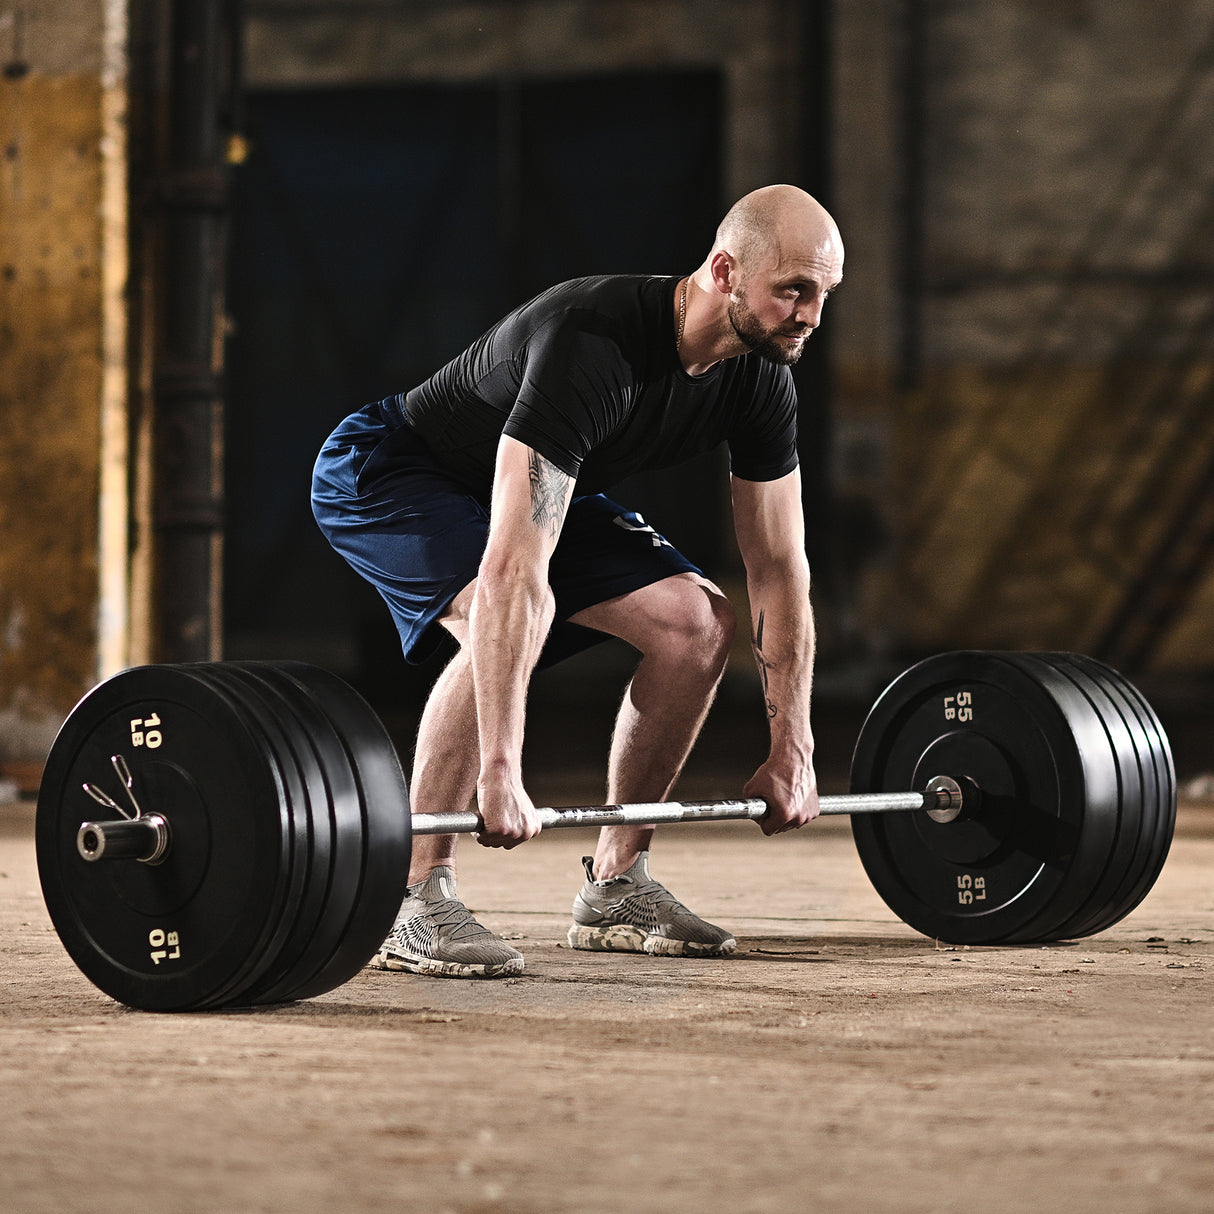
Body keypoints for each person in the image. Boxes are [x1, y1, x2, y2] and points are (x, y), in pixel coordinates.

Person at [312, 184, 844, 978]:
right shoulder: (590, 341)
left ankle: (616, 886)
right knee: (495, 623)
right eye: (793, 290)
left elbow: (779, 570)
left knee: (697, 624)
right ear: (726, 272)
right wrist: (500, 769)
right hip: (394, 472)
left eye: (824, 294)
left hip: (536, 487)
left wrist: (793, 745)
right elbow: (511, 572)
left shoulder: (761, 377)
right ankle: (413, 894)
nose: (810, 316)